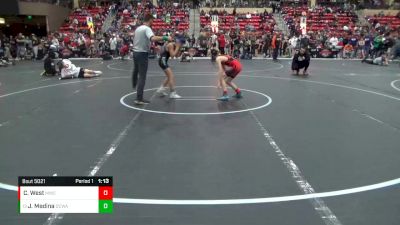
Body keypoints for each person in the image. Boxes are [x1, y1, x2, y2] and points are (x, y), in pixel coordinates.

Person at [132, 14, 172, 105]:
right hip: (142, 54)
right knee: (142, 76)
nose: (153, 23)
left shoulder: (138, 29)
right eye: (152, 21)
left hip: (135, 53)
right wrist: (165, 37)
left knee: (137, 71)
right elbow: (152, 38)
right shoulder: (147, 29)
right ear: (149, 20)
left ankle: (134, 81)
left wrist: (152, 48)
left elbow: (140, 41)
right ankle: (139, 98)